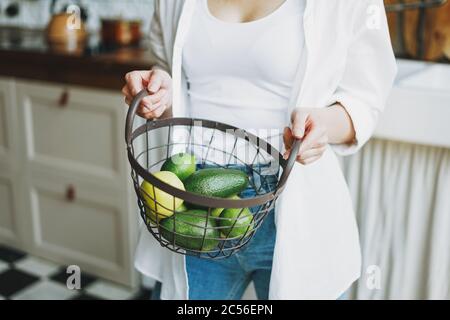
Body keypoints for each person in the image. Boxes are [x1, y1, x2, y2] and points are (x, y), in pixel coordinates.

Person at [122, 0, 397, 300]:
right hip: (194, 203)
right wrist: (158, 92)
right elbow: (172, 74)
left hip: (292, 206)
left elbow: (364, 99)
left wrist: (324, 125)